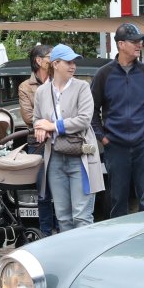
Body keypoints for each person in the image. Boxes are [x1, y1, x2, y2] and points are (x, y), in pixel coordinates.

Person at [91, 22, 144, 216]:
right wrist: (103, 138)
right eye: (134, 41)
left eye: (140, 41)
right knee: (117, 199)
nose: (139, 45)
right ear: (120, 44)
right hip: (115, 146)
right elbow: (91, 111)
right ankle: (120, 234)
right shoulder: (103, 75)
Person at [34, 44, 104, 231]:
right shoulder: (42, 91)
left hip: (81, 156)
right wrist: (40, 127)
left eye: (74, 62)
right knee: (63, 217)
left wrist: (53, 126)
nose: (73, 66)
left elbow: (84, 119)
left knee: (81, 216)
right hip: (55, 157)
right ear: (55, 64)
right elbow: (36, 118)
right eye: (68, 62)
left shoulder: (82, 87)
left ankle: (85, 250)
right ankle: (68, 251)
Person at [16, 43, 58, 236]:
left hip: (60, 140)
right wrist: (52, 123)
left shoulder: (59, 81)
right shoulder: (25, 86)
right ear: (39, 61)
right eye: (51, 56)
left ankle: (63, 231)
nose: (55, 60)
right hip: (38, 143)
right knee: (43, 192)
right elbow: (28, 117)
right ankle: (46, 233)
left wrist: (47, 123)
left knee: (61, 190)